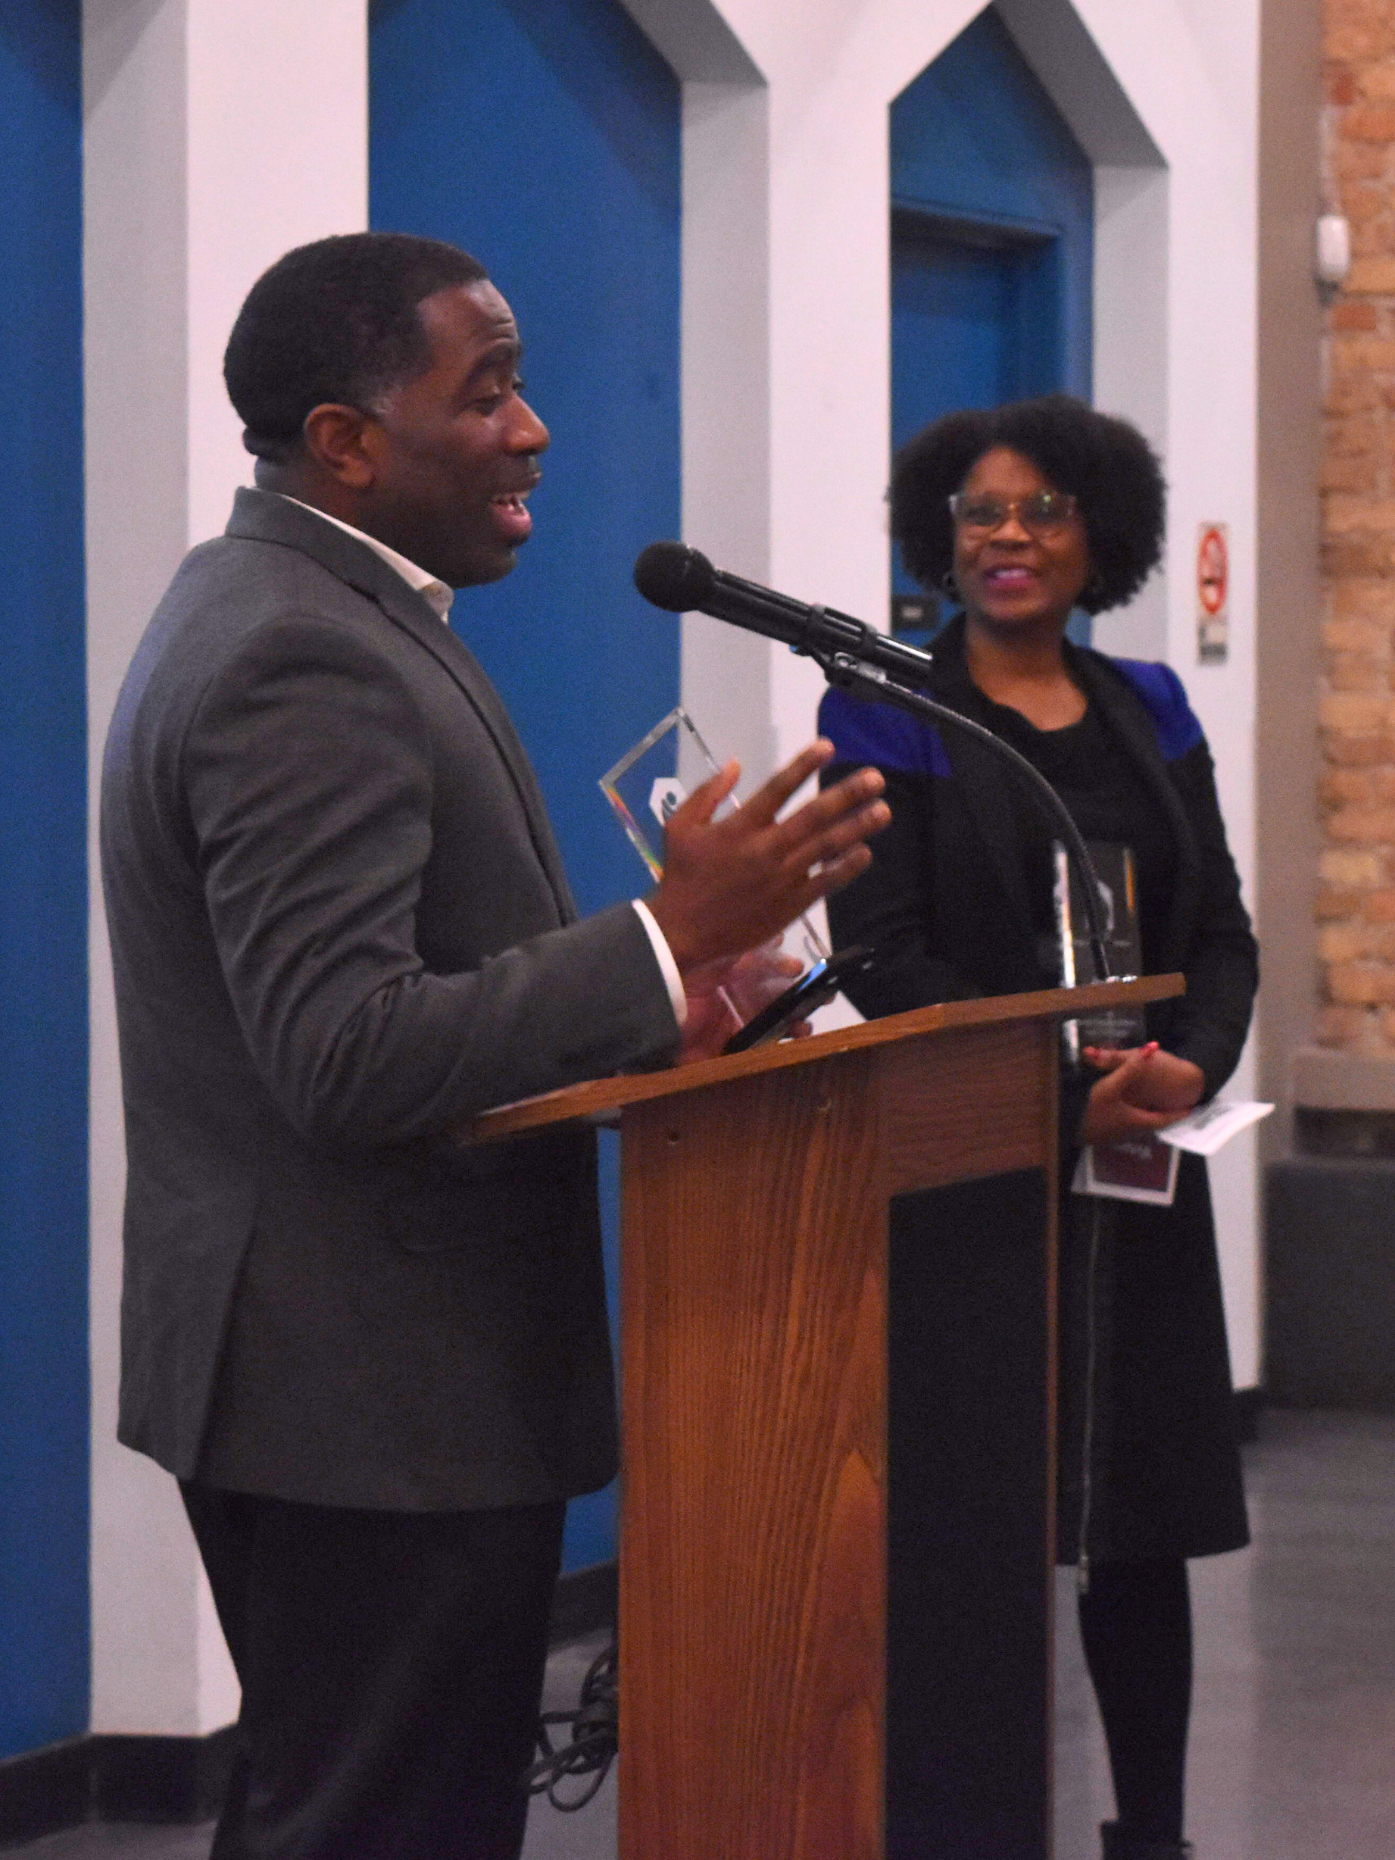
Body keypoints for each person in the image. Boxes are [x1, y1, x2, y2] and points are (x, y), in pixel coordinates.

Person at [100, 231, 889, 1860]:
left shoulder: (296, 604)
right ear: (347, 439)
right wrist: (666, 932)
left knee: (357, 1815)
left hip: (351, 1383)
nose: (532, 431)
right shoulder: (295, 649)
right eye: (490, 393)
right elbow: (343, 1051)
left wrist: (664, 1003)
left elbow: (389, 998)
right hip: (369, 1391)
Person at [818, 395, 1256, 1860]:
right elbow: (884, 956)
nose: (1007, 538)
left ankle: (1157, 1834)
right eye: (979, 514)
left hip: (1141, 1175)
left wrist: (1183, 1072)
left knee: (1138, 1532)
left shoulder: (1150, 705)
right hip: (972, 1176)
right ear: (938, 534)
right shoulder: (887, 710)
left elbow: (1224, 934)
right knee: (970, 1533)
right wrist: (1062, 1097)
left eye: (1043, 511)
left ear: (1097, 536)